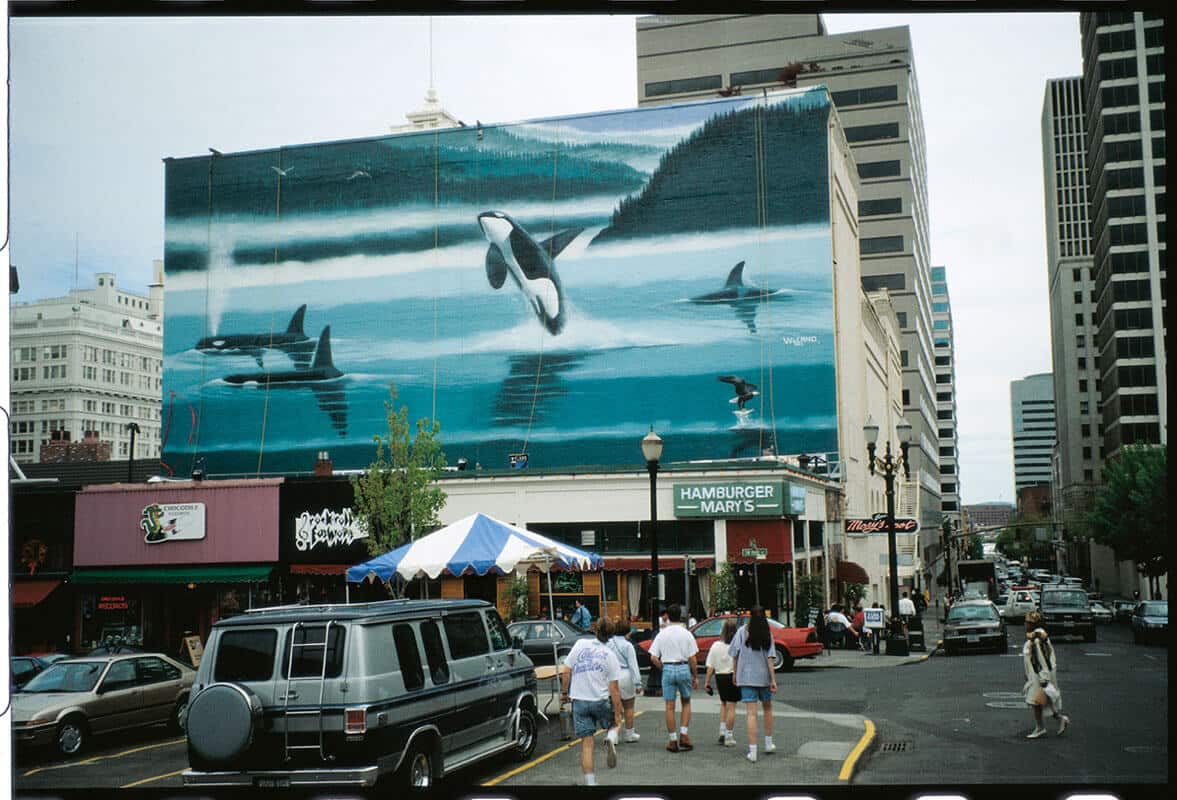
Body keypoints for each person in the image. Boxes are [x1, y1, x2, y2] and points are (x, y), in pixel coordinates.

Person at [560, 617, 624, 785]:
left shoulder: (580, 644)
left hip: (579, 700)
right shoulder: (610, 655)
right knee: (615, 723)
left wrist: (564, 693)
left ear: (595, 630)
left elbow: (566, 671)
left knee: (587, 745)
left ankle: (591, 783)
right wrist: (618, 712)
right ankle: (610, 737)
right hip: (600, 700)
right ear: (610, 636)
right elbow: (614, 689)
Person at [729, 605, 777, 763]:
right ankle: (769, 743)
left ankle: (753, 751)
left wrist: (735, 673)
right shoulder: (767, 633)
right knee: (768, 708)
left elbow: (734, 654)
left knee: (751, 714)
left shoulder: (742, 632)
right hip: (764, 677)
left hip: (746, 676)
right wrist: (773, 680)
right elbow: (770, 658)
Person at [648, 603, 699, 752]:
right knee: (686, 702)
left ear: (668, 617)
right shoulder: (687, 633)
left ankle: (672, 740)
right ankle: (684, 734)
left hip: (668, 667)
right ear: (681, 616)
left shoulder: (662, 633)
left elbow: (653, 657)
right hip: (683, 667)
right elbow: (693, 658)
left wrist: (663, 667)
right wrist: (695, 676)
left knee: (669, 706)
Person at [1021, 611, 1070, 738]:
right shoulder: (1039, 637)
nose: (1025, 625)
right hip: (1036, 674)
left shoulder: (1036, 640)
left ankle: (1040, 728)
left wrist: (1043, 677)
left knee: (1035, 701)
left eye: (1027, 623)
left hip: (1039, 676)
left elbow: (1042, 659)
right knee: (1044, 700)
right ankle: (1060, 719)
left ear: (1032, 624)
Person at [605, 616, 643, 743]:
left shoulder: (608, 643)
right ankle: (629, 734)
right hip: (626, 675)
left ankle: (612, 735)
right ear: (628, 631)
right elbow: (633, 665)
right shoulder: (628, 646)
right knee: (629, 706)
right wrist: (638, 683)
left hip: (611, 676)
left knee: (614, 707)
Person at [703, 618, 740, 746]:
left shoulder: (715, 646)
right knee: (732, 707)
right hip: (732, 676)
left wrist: (707, 682)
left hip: (720, 677)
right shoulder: (737, 646)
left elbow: (710, 666)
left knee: (723, 704)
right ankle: (729, 736)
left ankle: (722, 731)